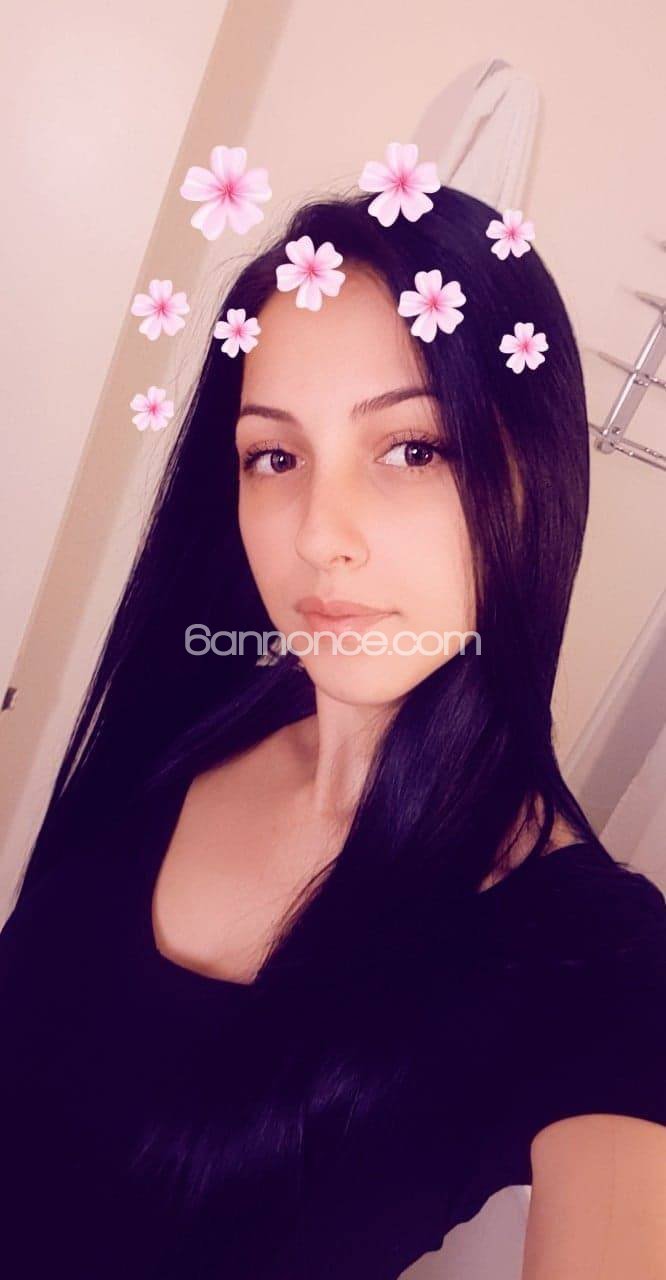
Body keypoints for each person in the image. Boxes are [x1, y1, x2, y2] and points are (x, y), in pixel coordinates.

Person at [1, 183, 665, 1280]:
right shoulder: (184, 723)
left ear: (530, 473)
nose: (319, 534)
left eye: (412, 448)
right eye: (274, 456)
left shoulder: (591, 953)